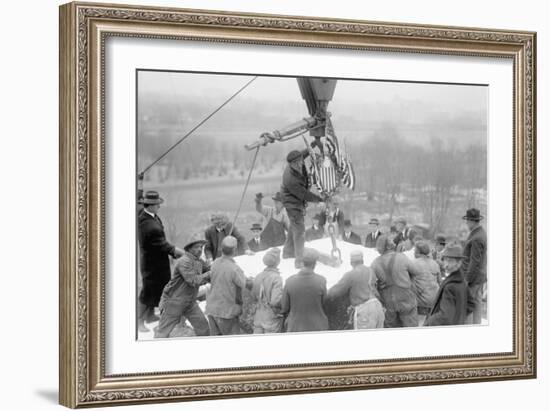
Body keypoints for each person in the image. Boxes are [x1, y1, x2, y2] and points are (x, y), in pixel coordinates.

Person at [137, 191, 184, 332]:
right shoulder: (148, 224)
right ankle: (138, 321)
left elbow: (161, 244)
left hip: (157, 262)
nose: (159, 207)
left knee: (158, 289)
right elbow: (163, 245)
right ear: (150, 205)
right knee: (148, 292)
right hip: (152, 265)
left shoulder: (152, 217)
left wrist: (172, 252)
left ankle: (150, 316)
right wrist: (180, 252)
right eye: (157, 205)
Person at [155, 234, 211, 338]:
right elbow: (192, 280)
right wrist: (209, 274)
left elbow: (208, 268)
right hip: (174, 302)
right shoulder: (184, 261)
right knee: (162, 333)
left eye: (201, 247)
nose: (200, 249)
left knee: (204, 328)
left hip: (189, 302)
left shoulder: (198, 261)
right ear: (189, 248)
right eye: (196, 247)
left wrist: (216, 265)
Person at [281, 149, 323, 268]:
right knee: (299, 230)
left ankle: (287, 252)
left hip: (296, 200)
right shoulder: (290, 179)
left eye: (301, 161)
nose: (301, 163)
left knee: (294, 226)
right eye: (298, 163)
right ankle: (299, 261)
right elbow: (304, 194)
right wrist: (319, 199)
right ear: (292, 164)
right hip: (292, 203)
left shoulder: (298, 161)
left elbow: (303, 154)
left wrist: (312, 146)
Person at [205, 236, 253, 335]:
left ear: (221, 249)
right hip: (226, 313)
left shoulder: (215, 263)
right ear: (235, 250)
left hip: (211, 310)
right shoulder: (234, 269)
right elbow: (246, 284)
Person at [371, 234, 421, 328]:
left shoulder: (375, 263)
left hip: (387, 301)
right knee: (411, 328)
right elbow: (416, 271)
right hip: (406, 298)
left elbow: (371, 285)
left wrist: (380, 297)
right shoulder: (401, 257)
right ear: (389, 245)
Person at [327, 250, 384, 329]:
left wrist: (324, 293)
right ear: (362, 260)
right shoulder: (370, 271)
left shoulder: (351, 274)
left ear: (351, 262)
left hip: (365, 310)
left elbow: (336, 291)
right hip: (378, 307)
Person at [281, 248, 329, 332]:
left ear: (302, 263)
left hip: (295, 327)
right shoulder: (321, 281)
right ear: (315, 264)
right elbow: (325, 304)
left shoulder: (289, 281)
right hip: (318, 327)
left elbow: (284, 307)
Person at [424, 245, 468, 326]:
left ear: (459, 263)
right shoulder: (463, 281)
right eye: (445, 260)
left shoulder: (450, 286)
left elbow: (444, 316)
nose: (446, 264)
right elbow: (471, 303)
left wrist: (428, 322)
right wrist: (459, 315)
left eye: (450, 261)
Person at [461, 208, 487, 324]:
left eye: (467, 220)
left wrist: (467, 279)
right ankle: (477, 327)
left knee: (468, 306)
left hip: (473, 279)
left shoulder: (476, 237)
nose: (466, 223)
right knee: (476, 304)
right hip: (479, 277)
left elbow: (474, 262)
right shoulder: (480, 233)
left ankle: (469, 330)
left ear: (472, 221)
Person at [251, 248, 284, 334]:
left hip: (258, 316)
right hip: (271, 318)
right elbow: (275, 301)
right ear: (277, 262)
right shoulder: (276, 278)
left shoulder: (258, 276)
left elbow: (253, 296)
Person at [411, 241, 440, 325]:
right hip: (435, 302)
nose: (413, 252)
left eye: (414, 250)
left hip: (421, 304)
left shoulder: (413, 263)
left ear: (418, 252)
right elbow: (440, 282)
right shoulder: (435, 263)